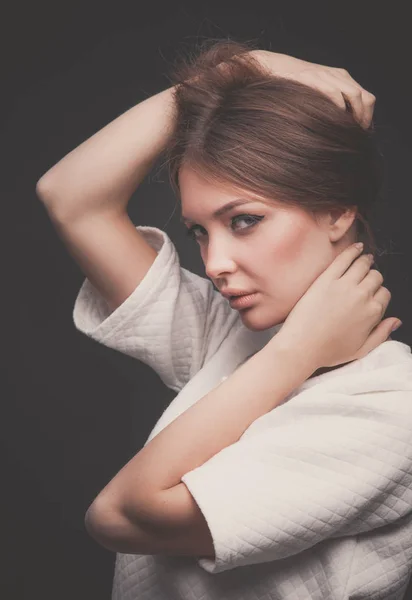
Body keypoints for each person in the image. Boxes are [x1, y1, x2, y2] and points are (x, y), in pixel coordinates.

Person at [36, 39, 412, 600]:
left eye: (244, 221)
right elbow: (70, 196)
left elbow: (120, 516)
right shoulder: (235, 339)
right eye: (200, 232)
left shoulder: (391, 406)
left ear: (337, 210)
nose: (214, 265)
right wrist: (247, 66)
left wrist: (296, 353)